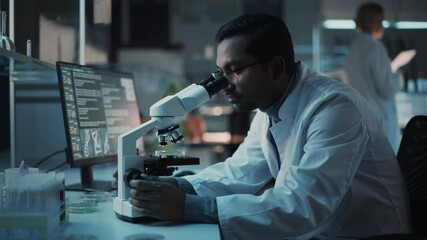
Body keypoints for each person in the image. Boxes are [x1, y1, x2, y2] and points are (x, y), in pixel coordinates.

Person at [127, 13, 411, 239]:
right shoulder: (268, 108)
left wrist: (188, 207)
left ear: (275, 68)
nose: (224, 85)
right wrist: (174, 186)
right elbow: (239, 172)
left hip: (366, 234)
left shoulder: (334, 107)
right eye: (221, 73)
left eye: (234, 71)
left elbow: (304, 204)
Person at [343, 2, 402, 152]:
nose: (383, 26)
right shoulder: (375, 48)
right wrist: (395, 72)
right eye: (381, 21)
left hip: (362, 121)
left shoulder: (353, 48)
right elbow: (387, 89)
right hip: (380, 122)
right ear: (374, 22)